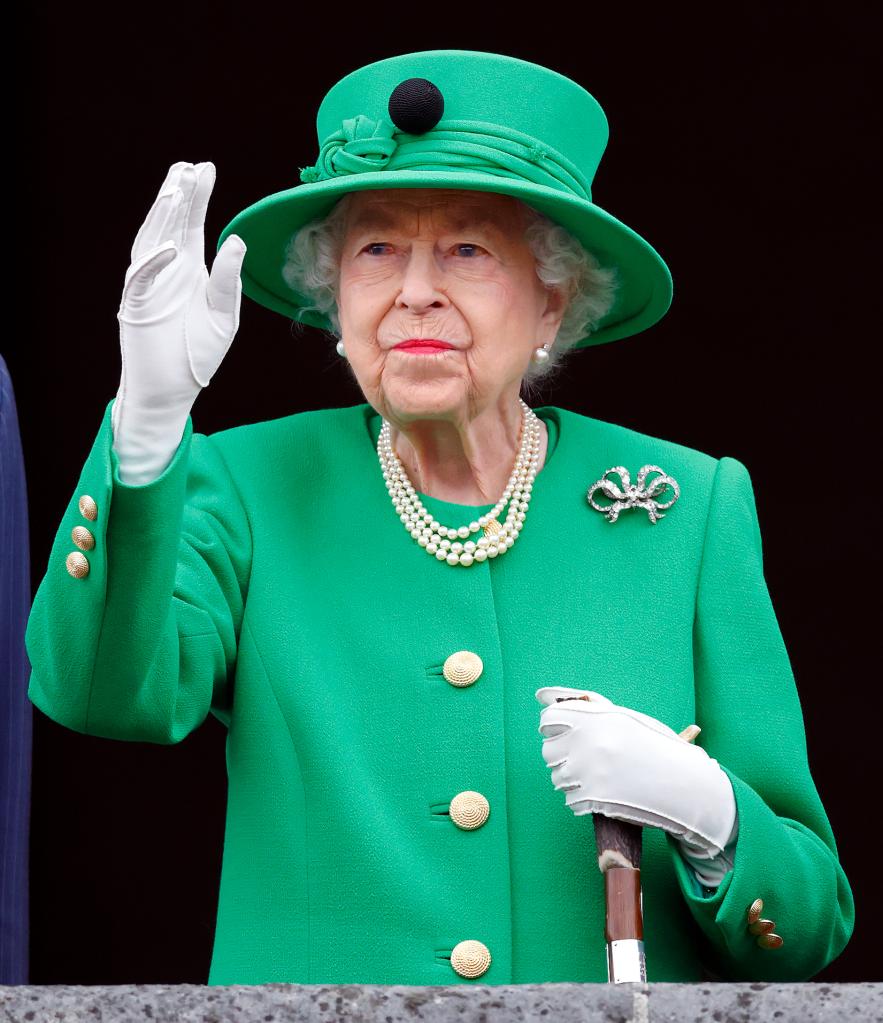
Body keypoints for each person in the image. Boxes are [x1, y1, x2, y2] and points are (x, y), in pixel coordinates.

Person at [24, 49, 853, 985]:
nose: (415, 288)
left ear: (552, 300)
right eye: (376, 249)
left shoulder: (688, 505)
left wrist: (713, 816)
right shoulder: (245, 482)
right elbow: (98, 695)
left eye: (466, 249)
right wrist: (144, 424)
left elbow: (808, 920)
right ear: (334, 299)